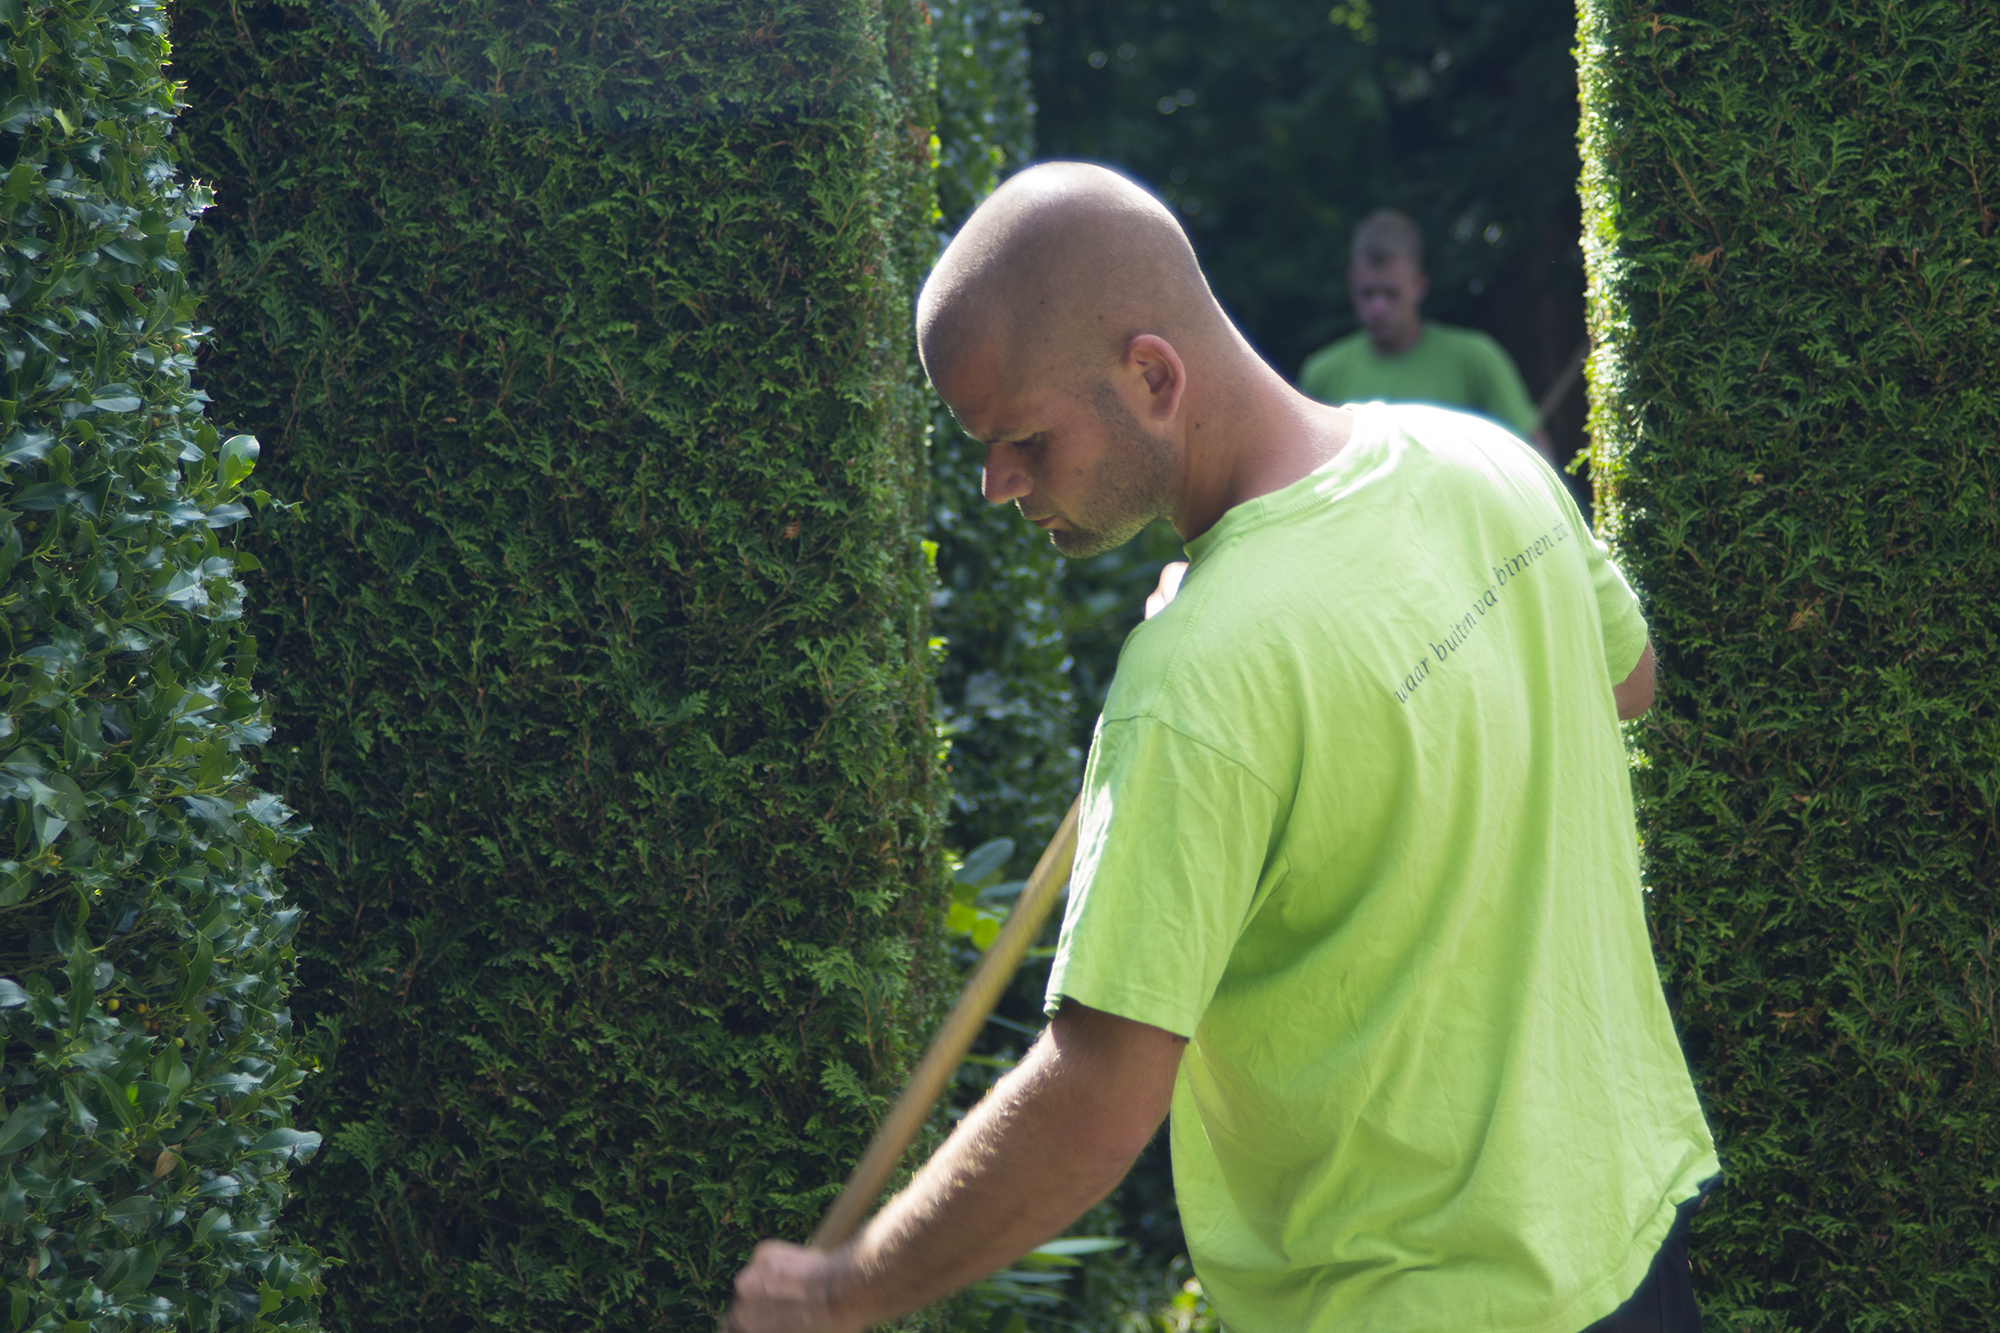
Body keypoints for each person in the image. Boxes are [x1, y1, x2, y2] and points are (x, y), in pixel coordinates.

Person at [725, 164, 1718, 1333]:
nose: (997, 485)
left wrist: (849, 1288)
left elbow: (1097, 1097)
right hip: (1624, 1252)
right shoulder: (1478, 461)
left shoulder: (1198, 680)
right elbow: (1625, 680)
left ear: (1151, 375)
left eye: (1025, 440)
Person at [1299, 208, 1556, 463]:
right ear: (1351, 283)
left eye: (1391, 294)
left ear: (1419, 286)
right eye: (1367, 293)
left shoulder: (1475, 360)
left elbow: (1535, 458)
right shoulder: (1322, 375)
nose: (1377, 308)